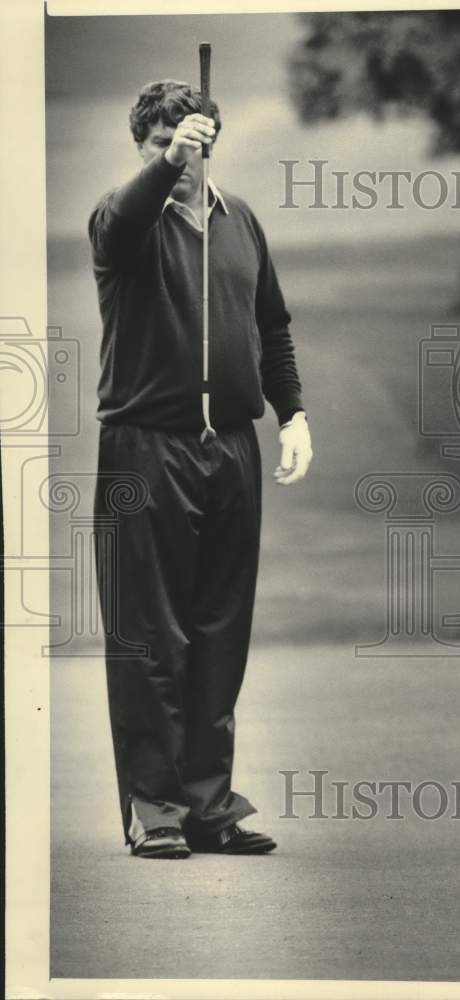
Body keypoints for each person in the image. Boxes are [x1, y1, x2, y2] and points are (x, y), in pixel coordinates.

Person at [89, 79, 313, 859]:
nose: (179, 157)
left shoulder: (241, 221)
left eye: (190, 144)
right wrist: (163, 167)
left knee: (220, 632)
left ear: (214, 143)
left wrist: (295, 416)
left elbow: (271, 326)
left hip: (231, 452)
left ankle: (209, 808)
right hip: (144, 448)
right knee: (151, 637)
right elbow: (120, 225)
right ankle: (155, 811)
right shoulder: (124, 221)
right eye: (161, 146)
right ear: (143, 148)